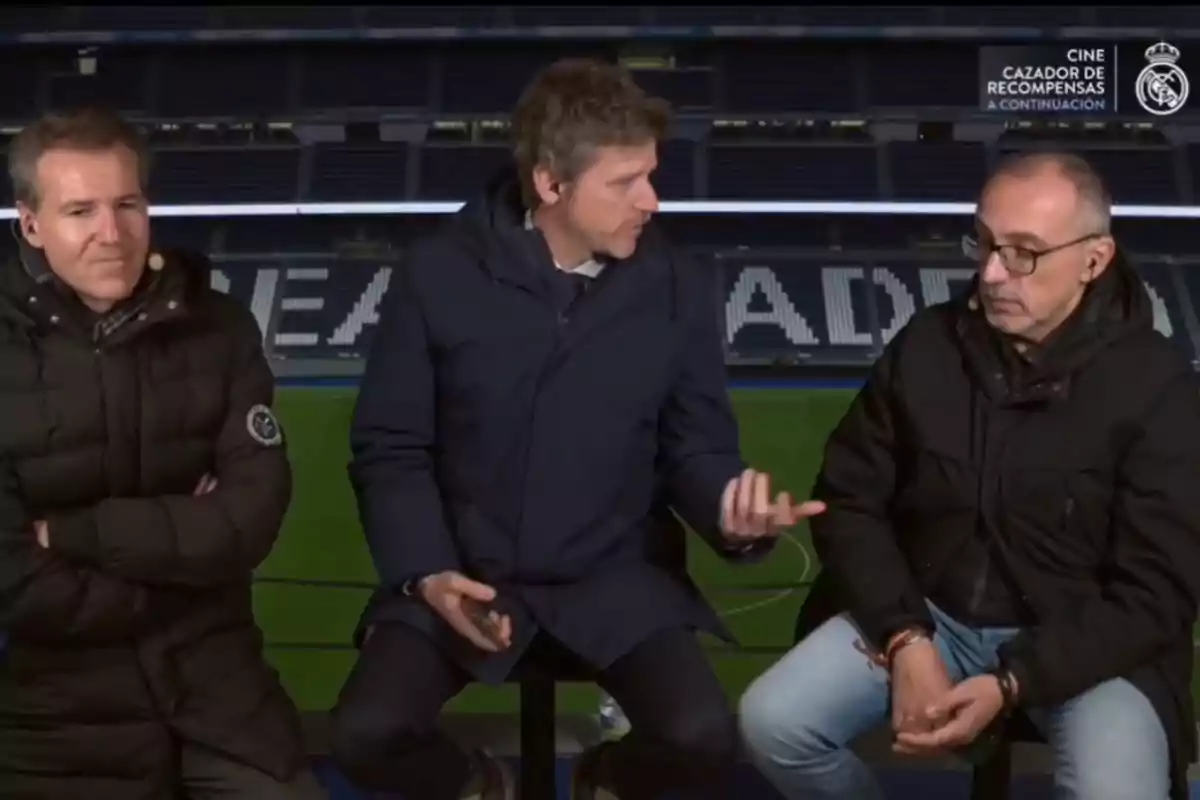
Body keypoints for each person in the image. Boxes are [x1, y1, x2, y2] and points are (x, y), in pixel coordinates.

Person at [329, 58, 825, 800]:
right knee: (364, 735)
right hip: (466, 572)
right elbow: (391, 448)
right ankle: (475, 787)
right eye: (625, 183)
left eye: (651, 175)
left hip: (615, 577)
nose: (652, 201)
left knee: (701, 739)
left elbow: (696, 446)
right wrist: (428, 572)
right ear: (551, 184)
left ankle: (607, 780)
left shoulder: (679, 287)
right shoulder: (436, 274)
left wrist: (730, 508)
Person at [738, 149, 1200, 800]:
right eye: (983, 242)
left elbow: (1158, 593)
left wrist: (1014, 681)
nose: (991, 272)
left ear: (1093, 260)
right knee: (773, 722)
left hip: (1085, 643)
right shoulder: (926, 346)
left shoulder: (1159, 387)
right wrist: (906, 640)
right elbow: (849, 500)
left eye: (1023, 252)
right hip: (927, 614)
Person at [0, 107, 325, 799]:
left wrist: (74, 534)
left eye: (127, 204)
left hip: (221, 695)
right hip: (56, 715)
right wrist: (183, 570)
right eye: (80, 211)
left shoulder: (222, 327)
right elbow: (13, 580)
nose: (110, 234)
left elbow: (247, 520)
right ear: (30, 223)